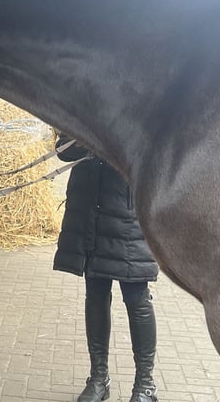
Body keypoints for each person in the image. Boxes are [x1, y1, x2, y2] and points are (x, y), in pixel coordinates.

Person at [54, 133, 159, 402]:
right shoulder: (84, 100)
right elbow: (63, 151)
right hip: (90, 209)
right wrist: (81, 139)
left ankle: (145, 385)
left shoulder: (137, 99)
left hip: (126, 213)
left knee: (137, 298)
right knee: (96, 294)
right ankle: (99, 379)